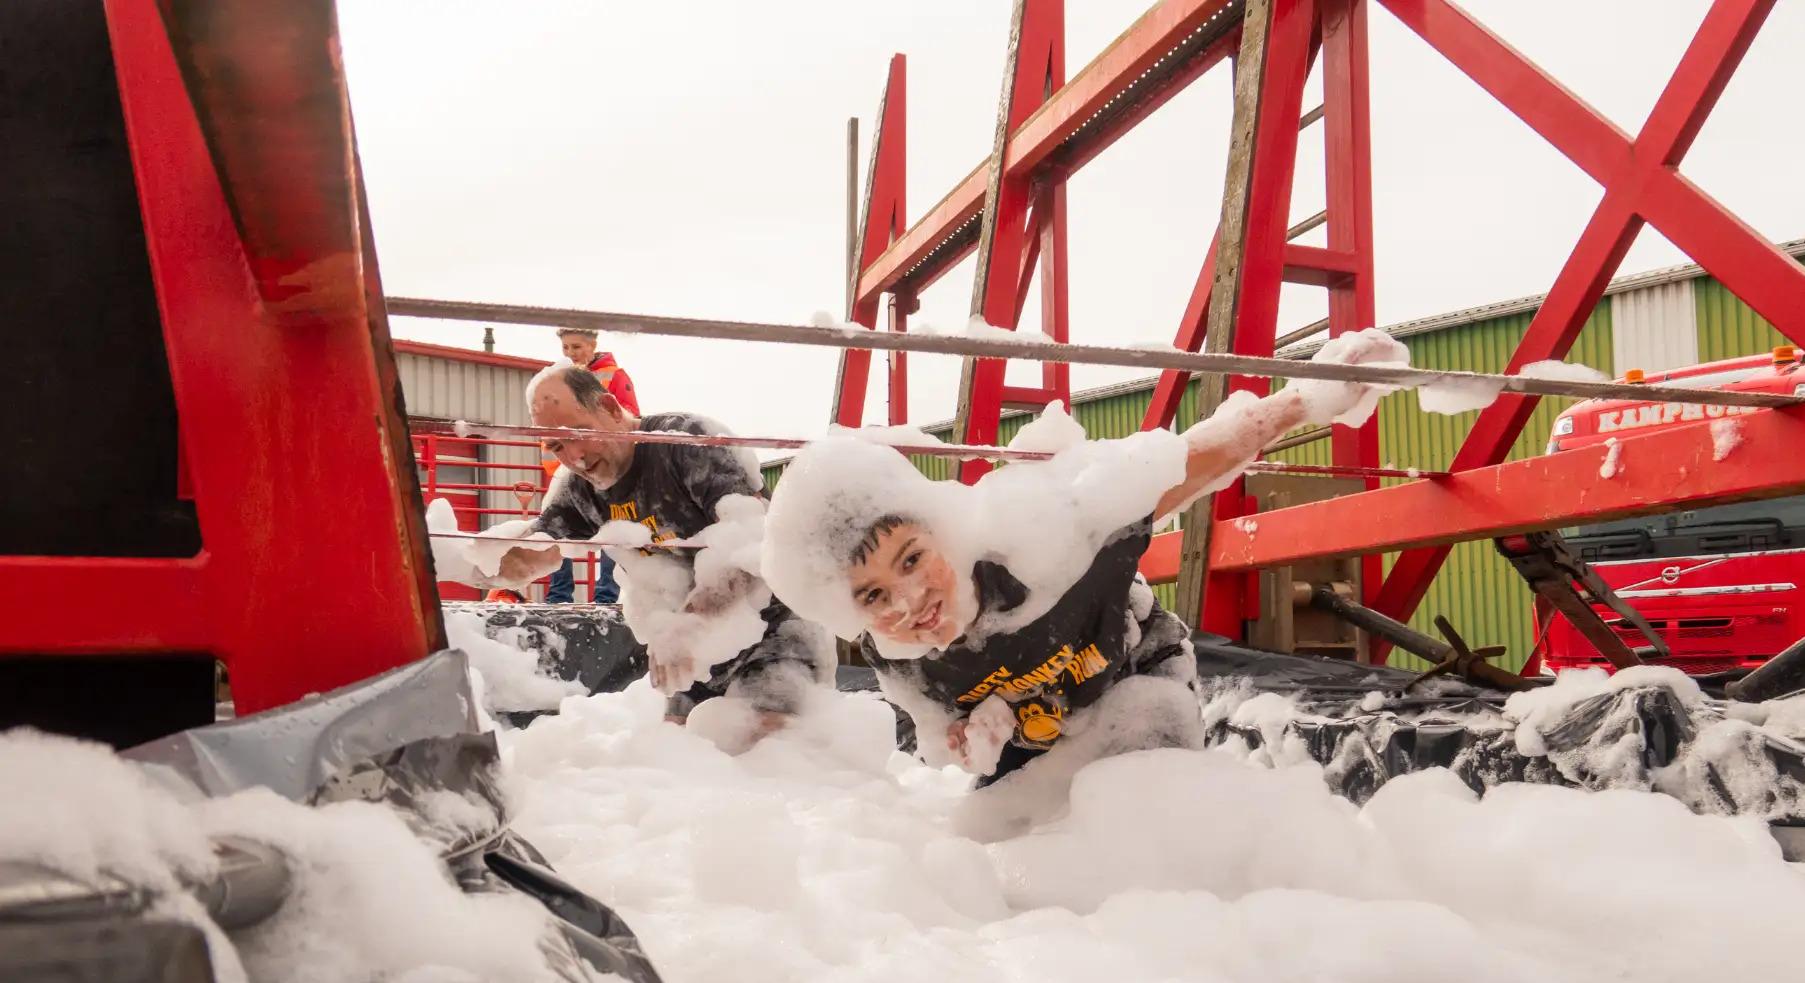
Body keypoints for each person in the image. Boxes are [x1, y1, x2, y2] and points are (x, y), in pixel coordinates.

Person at [760, 328, 1406, 837]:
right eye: (872, 596)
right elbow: (944, 731)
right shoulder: (898, 661)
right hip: (1040, 728)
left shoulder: (1038, 546)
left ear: (941, 531)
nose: (909, 601)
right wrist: (968, 735)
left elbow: (1183, 464)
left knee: (1147, 823)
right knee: (994, 846)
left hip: (1133, 679)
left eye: (910, 559)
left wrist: (1304, 401)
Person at [481, 363, 833, 749]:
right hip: (695, 648)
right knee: (676, 751)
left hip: (774, 628)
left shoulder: (684, 443)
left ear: (611, 409)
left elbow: (752, 547)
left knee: (771, 751)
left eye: (578, 434)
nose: (575, 457)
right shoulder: (578, 490)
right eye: (557, 447)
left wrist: (688, 627)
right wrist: (476, 559)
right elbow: (532, 550)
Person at [545, 329, 637, 604]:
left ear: (593, 344)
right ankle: (558, 596)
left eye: (576, 347)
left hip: (605, 466)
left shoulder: (615, 377)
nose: (571, 353)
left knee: (612, 526)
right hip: (567, 467)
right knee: (557, 526)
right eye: (565, 347)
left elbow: (629, 417)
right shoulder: (556, 378)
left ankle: (606, 597)